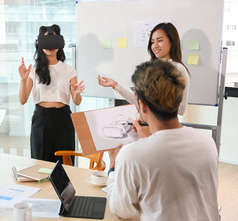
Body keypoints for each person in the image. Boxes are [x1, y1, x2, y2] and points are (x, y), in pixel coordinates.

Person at [106, 60, 225, 221]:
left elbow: (120, 209)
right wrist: (149, 139)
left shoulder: (133, 155)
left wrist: (113, 168)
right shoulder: (206, 143)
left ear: (142, 105)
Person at [18, 24, 85, 163]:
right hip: (41, 119)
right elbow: (23, 100)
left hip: (63, 119)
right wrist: (23, 80)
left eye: (54, 40)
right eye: (46, 40)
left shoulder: (68, 69)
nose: (50, 45)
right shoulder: (34, 69)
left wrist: (77, 92)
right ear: (39, 44)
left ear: (60, 43)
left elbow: (77, 101)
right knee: (40, 164)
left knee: (66, 165)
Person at [98, 22, 190, 116]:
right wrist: (115, 85)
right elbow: (140, 103)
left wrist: (154, 100)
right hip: (148, 125)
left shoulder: (179, 69)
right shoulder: (150, 68)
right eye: (152, 42)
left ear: (172, 41)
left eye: (160, 40)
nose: (155, 45)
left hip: (165, 127)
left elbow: (181, 110)